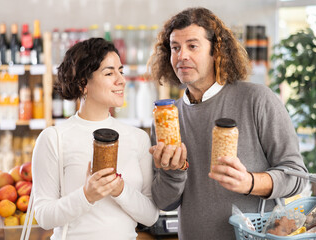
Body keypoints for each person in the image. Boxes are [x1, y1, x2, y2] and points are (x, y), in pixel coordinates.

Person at [147, 7, 308, 240]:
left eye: (192, 46)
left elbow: (296, 176)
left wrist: (250, 182)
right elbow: (165, 203)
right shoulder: (167, 118)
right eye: (175, 48)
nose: (181, 56)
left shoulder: (257, 99)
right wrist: (173, 173)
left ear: (216, 51)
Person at [32, 38, 159, 240]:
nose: (121, 80)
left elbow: (151, 215)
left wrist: (120, 190)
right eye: (109, 73)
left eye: (121, 71)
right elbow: (44, 216)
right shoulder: (53, 138)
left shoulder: (138, 138)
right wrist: (86, 195)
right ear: (83, 83)